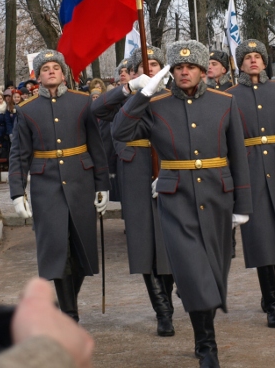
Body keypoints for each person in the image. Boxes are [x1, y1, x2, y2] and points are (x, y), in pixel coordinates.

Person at [113, 40, 252, 368]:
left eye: (190, 67)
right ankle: (206, 345)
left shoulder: (225, 102)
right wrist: (143, 93)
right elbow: (120, 131)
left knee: (215, 272)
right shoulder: (155, 104)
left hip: (218, 195)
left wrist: (242, 202)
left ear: (203, 70)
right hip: (175, 199)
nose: (184, 71)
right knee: (193, 271)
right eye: (177, 67)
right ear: (170, 73)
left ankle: (197, 310)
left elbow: (238, 155)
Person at [9, 49, 110, 322]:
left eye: (55, 67)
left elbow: (96, 146)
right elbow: (18, 154)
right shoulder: (27, 109)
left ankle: (67, 302)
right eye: (45, 68)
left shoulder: (83, 102)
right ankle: (69, 312)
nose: (51, 71)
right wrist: (17, 192)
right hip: (46, 186)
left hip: (81, 181)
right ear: (38, 77)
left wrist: (103, 184)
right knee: (56, 249)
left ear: (63, 73)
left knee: (80, 249)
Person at [92, 46, 176, 336]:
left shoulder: (174, 93)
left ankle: (169, 296)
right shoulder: (129, 93)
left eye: (155, 64)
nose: (150, 69)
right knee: (143, 243)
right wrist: (130, 89)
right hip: (135, 169)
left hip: (169, 167)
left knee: (170, 239)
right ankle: (162, 310)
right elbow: (98, 110)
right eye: (144, 65)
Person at [229, 39, 275, 328]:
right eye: (247, 57)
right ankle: (273, 305)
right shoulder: (229, 95)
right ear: (241, 63)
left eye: (257, 56)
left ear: (264, 60)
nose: (253, 61)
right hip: (248, 171)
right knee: (260, 238)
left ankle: (267, 291)